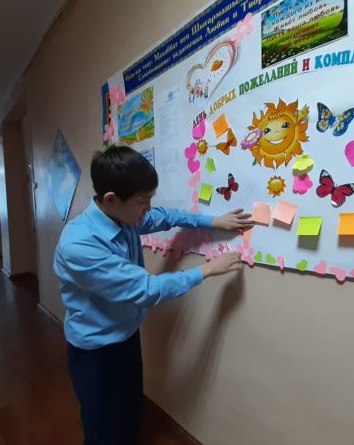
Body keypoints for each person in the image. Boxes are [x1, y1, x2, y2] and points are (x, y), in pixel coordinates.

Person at [53, 146, 253, 445]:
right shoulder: (80, 246)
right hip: (95, 349)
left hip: (126, 333)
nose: (147, 210)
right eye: (142, 202)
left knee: (131, 412)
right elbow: (146, 289)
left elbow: (165, 216)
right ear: (111, 199)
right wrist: (208, 270)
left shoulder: (124, 216)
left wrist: (213, 221)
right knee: (103, 428)